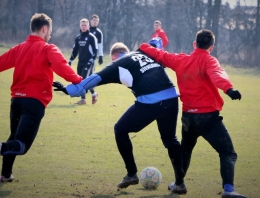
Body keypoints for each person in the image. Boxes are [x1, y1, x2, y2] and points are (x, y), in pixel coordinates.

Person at [53, 38, 187, 194]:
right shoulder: (143, 53)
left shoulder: (117, 64)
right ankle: (180, 184)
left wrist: (68, 90)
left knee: (120, 129)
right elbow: (156, 44)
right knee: (170, 139)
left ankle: (131, 173)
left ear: (114, 56)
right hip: (171, 97)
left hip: (151, 101)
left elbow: (91, 80)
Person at [140, 29, 247, 198]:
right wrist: (229, 89)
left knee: (186, 150)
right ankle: (228, 190)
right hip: (208, 118)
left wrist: (144, 46)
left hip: (188, 118)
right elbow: (217, 75)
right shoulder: (209, 61)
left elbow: (161, 55)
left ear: (194, 44)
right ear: (211, 47)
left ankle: (179, 184)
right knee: (228, 153)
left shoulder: (181, 60)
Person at [0, 13, 82, 183]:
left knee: (13, 138)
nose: (50, 34)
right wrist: (80, 82)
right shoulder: (48, 48)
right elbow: (63, 68)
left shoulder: (19, 48)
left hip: (16, 101)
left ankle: (6, 174)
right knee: (21, 146)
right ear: (44, 29)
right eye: (50, 31)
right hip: (34, 102)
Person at [68, 18, 98, 105]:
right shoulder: (78, 38)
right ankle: (94, 93)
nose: (84, 27)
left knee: (83, 80)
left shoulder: (92, 37)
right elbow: (75, 51)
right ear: (80, 26)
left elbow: (95, 52)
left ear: (88, 26)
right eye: (82, 25)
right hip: (80, 62)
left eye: (85, 25)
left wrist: (90, 61)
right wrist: (70, 59)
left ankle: (83, 99)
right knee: (79, 80)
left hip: (89, 62)